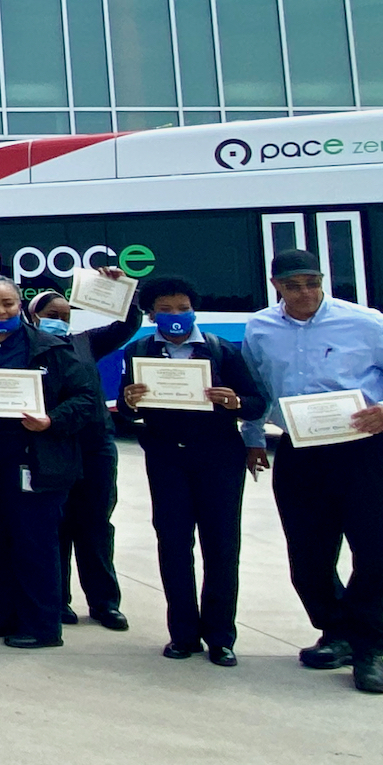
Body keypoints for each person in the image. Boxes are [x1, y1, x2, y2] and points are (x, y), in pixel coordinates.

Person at [240, 247, 383, 695]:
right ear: (276, 287)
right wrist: (253, 438)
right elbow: (256, 387)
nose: (305, 292)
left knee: (379, 553)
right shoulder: (261, 327)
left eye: (312, 282)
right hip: (300, 452)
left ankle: (368, 648)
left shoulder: (364, 321)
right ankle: (335, 632)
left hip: (364, 449)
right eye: (293, 285)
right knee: (308, 559)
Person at [117, 276, 268, 667]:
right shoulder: (140, 351)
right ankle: (182, 634)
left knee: (221, 547)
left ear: (194, 310)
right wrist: (129, 402)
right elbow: (126, 407)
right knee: (173, 544)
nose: (176, 316)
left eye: (183, 308)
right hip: (167, 461)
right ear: (151, 315)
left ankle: (220, 636)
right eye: (165, 310)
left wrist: (234, 401)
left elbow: (256, 402)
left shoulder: (221, 351)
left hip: (219, 460)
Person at [0, 277, 106, 649]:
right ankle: (6, 614)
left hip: (34, 459)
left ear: (20, 306)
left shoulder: (51, 348)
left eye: (7, 304)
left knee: (34, 543)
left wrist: (51, 421)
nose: (0, 311)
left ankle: (42, 625)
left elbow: (86, 399)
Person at [28, 284, 141, 632]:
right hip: (53, 445)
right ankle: (58, 599)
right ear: (33, 316)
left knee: (96, 523)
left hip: (95, 445)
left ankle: (104, 602)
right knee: (55, 525)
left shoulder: (86, 342)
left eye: (65, 316)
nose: (60, 322)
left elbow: (128, 324)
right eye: (51, 316)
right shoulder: (26, 347)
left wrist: (124, 290)